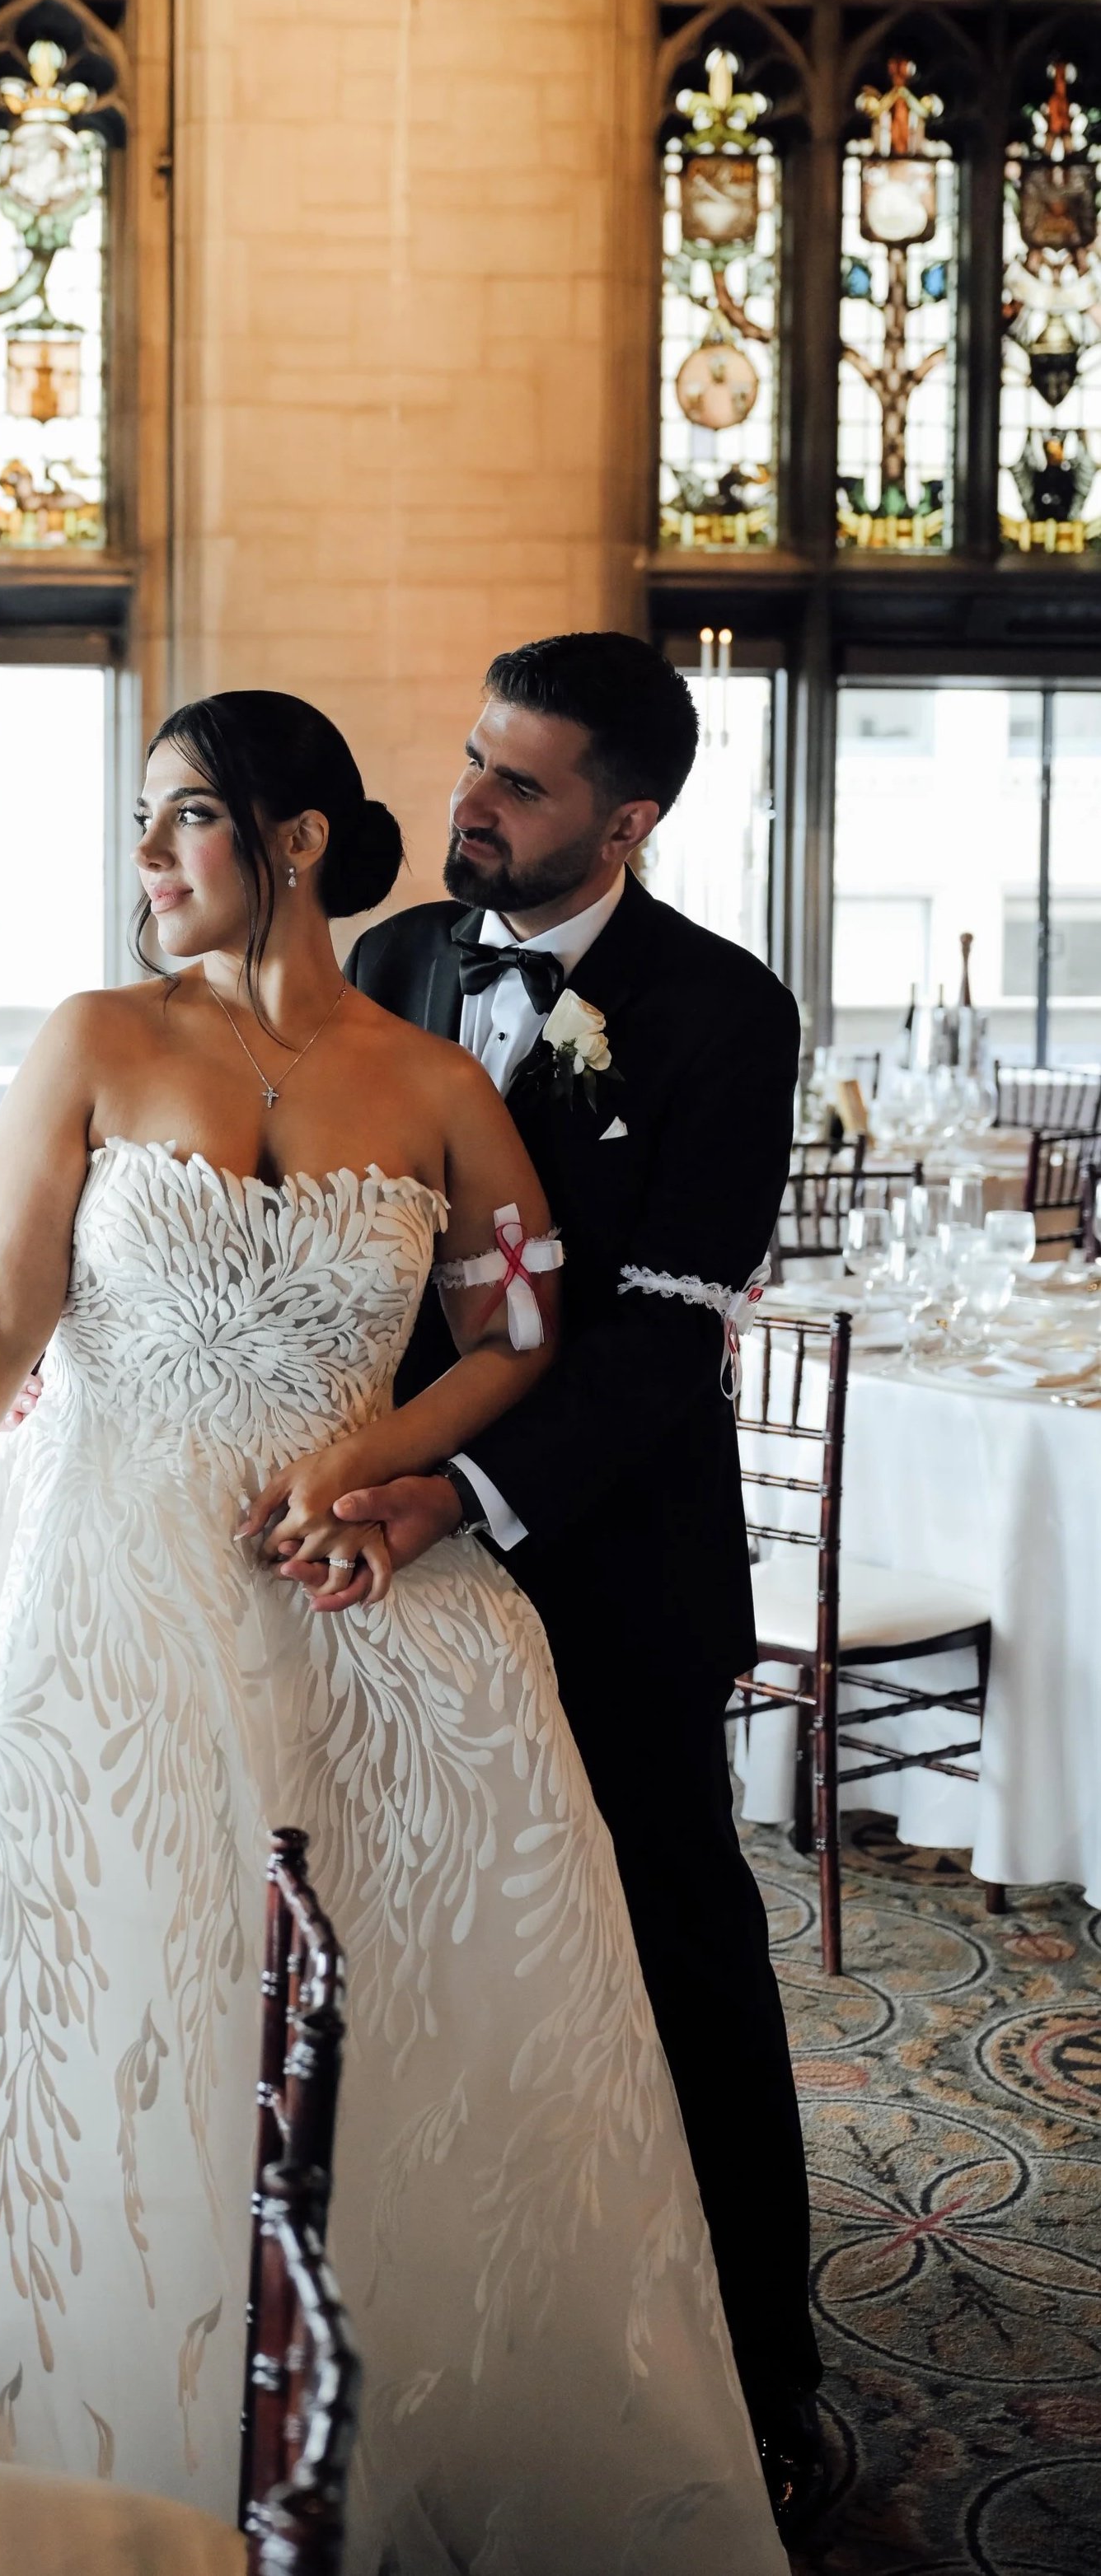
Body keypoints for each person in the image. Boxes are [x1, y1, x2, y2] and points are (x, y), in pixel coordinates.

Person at [0, 690, 786, 2574]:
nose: (147, 863)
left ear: (290, 839)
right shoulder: (96, 1041)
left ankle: (384, 2422)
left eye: (181, 821)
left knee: (400, 2026)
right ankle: (82, 2416)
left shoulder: (440, 1083)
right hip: (106, 1580)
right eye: (144, 827)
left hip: (362, 1595)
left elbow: (529, 1333)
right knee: (112, 1988)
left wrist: (378, 1460)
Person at [324, 632, 823, 2532]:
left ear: (631, 817)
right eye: (471, 759)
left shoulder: (725, 1013)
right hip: (397, 1565)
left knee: (678, 1945)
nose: (469, 802)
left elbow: (653, 1335)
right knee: (436, 1941)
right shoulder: (394, 963)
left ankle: (763, 2362)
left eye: (520, 785)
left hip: (610, 1561)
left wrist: (458, 1489)